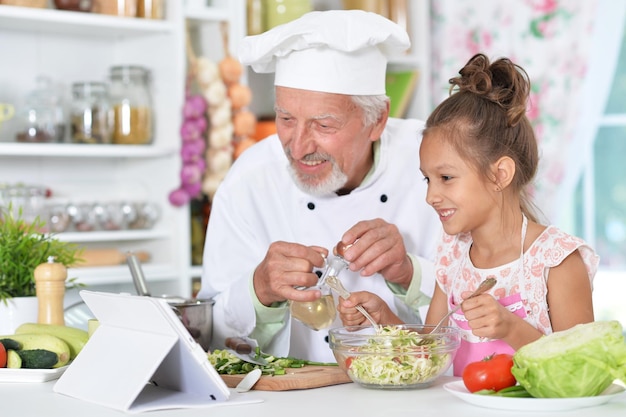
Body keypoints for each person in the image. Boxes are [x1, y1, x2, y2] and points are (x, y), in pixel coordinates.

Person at [197, 10, 442, 362]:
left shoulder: (435, 165)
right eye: (286, 119)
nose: (298, 148)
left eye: (323, 126)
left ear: (377, 120)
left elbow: (487, 309)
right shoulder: (250, 180)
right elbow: (212, 335)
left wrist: (409, 274)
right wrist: (259, 289)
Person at [337, 53, 599, 375]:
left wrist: (510, 328)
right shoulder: (453, 256)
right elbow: (430, 354)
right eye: (427, 179)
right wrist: (382, 318)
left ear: (500, 174)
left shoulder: (556, 261)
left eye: (446, 178)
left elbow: (583, 372)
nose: (431, 196)